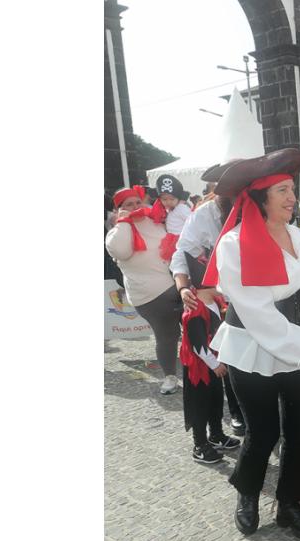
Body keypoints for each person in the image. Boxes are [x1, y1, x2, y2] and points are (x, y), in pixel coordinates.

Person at [203, 148, 300, 540]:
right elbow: (259, 313)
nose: (292, 197)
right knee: (262, 432)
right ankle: (247, 492)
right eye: (282, 190)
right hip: (253, 351)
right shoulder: (234, 244)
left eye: (291, 189)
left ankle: (289, 503)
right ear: (260, 197)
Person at [171, 159, 246, 434]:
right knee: (229, 351)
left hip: (255, 291)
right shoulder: (204, 215)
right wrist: (183, 288)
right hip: (219, 296)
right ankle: (237, 411)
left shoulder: (259, 206)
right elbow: (182, 253)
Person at [105, 185, 183, 395]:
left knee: (195, 330)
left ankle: (206, 372)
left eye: (137, 202)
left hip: (177, 284)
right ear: (118, 209)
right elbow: (122, 251)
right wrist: (123, 221)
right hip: (150, 296)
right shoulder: (116, 233)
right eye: (128, 204)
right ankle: (170, 377)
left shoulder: (155, 221)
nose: (135, 207)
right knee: (167, 336)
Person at [178, 250, 242, 464]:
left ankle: (216, 435)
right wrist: (215, 364)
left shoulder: (214, 301)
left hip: (214, 362)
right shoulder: (195, 310)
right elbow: (198, 345)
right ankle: (200, 444)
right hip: (200, 367)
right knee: (200, 405)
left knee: (215, 400)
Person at [153, 174, 193, 255]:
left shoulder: (181, 208)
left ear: (178, 198)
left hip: (181, 240)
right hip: (173, 239)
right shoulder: (171, 209)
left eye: (172, 199)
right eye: (164, 199)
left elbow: (193, 221)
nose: (168, 202)